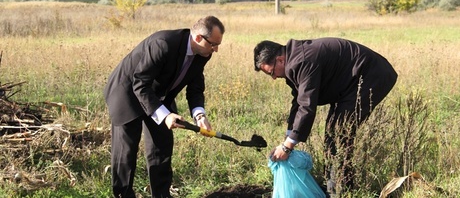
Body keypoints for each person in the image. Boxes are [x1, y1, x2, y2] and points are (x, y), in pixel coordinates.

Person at [254, 37, 397, 195]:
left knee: (338, 134)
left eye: (271, 72)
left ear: (280, 60)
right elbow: (298, 101)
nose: (274, 78)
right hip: (350, 83)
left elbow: (307, 106)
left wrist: (287, 147)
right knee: (333, 133)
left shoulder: (301, 61)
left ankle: (341, 191)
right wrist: (288, 138)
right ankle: (337, 187)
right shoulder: (294, 61)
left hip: (371, 76)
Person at [104, 16, 225, 198]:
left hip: (157, 94)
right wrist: (165, 115)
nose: (216, 50)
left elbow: (195, 87)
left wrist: (199, 114)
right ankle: (123, 194)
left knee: (161, 146)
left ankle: (161, 195)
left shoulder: (203, 53)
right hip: (127, 91)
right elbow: (140, 83)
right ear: (199, 37)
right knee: (126, 151)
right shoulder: (164, 43)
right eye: (214, 44)